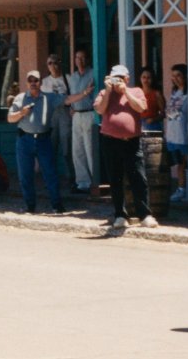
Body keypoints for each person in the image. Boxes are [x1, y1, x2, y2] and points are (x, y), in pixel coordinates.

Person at [93, 64, 156, 228]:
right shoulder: (104, 92)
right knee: (115, 179)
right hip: (110, 141)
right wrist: (108, 91)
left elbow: (142, 107)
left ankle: (145, 215)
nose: (118, 81)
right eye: (115, 78)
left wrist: (125, 92)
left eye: (121, 78)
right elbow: (99, 110)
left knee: (138, 178)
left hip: (132, 141)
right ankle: (120, 215)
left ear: (127, 79)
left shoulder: (136, 91)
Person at [9, 69, 65, 214]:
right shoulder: (20, 98)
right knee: (25, 175)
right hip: (24, 140)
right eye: (30, 80)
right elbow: (10, 118)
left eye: (36, 80)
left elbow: (68, 99)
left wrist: (85, 93)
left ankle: (57, 205)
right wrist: (22, 112)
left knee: (50, 173)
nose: (33, 83)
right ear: (26, 83)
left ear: (41, 83)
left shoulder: (49, 97)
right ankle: (30, 206)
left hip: (43, 139)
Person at [66, 49, 98, 194]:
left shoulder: (93, 73)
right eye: (77, 58)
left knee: (90, 149)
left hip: (89, 113)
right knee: (77, 150)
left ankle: (95, 181)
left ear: (87, 59)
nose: (80, 60)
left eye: (83, 57)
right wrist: (71, 108)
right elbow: (71, 96)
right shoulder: (72, 77)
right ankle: (82, 183)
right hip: (76, 115)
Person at [41, 54, 73, 183]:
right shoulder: (44, 82)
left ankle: (72, 179)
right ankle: (50, 179)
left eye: (55, 62)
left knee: (67, 149)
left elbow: (73, 96)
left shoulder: (68, 79)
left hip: (65, 113)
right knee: (50, 148)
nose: (53, 65)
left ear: (59, 63)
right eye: (49, 63)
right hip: (51, 115)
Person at [164, 64, 188, 202]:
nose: (175, 79)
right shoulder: (174, 93)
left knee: (184, 163)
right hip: (173, 134)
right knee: (178, 163)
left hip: (184, 134)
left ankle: (185, 189)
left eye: (178, 75)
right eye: (173, 76)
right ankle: (180, 188)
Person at [138, 67, 165, 132]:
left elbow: (163, 113)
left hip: (152, 125)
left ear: (152, 79)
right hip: (138, 124)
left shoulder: (156, 94)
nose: (146, 80)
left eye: (148, 78)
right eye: (144, 77)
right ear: (140, 78)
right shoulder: (137, 92)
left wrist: (154, 119)